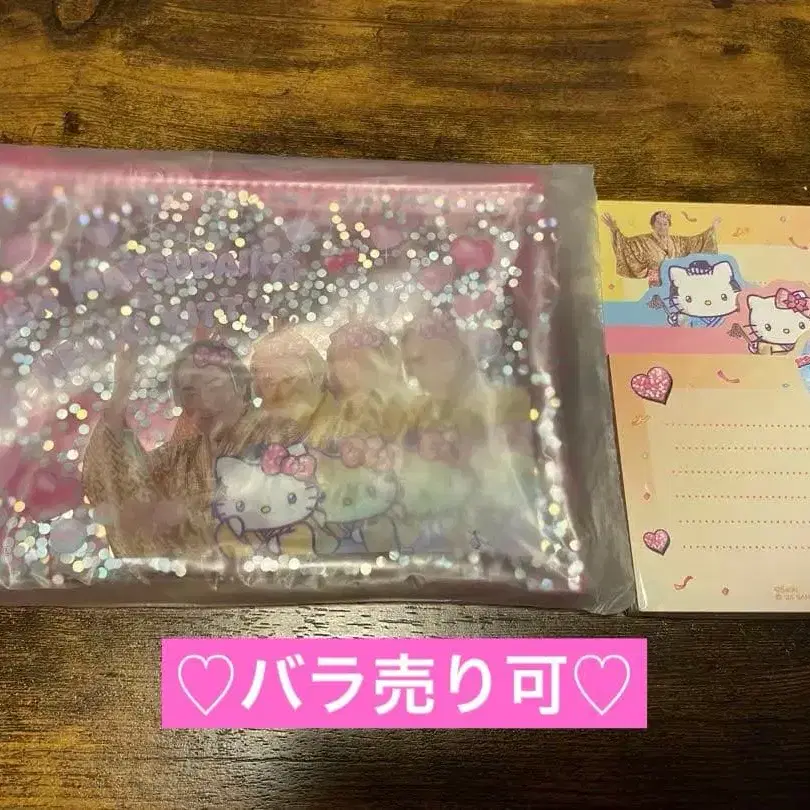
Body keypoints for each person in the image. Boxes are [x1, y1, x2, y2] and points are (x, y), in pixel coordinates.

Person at [82, 339, 300, 563]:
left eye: (214, 385)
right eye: (190, 392)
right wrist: (120, 395)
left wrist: (189, 516)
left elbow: (292, 510)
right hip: (192, 581)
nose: (204, 401)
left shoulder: (285, 436)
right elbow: (120, 488)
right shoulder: (180, 458)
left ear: (242, 385)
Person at [602, 210, 720, 286]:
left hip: (677, 282)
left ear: (669, 225)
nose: (662, 227)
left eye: (665, 224)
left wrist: (711, 230)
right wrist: (614, 229)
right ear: (653, 225)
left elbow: (696, 242)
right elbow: (625, 245)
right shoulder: (643, 241)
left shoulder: (677, 241)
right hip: (656, 284)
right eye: (658, 223)